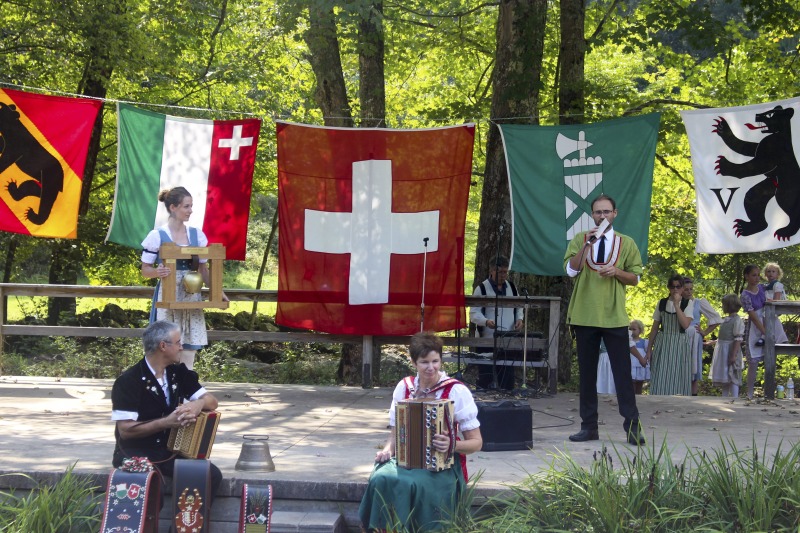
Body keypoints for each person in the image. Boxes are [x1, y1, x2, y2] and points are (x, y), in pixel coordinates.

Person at [359, 332, 482, 532]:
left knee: (413, 483)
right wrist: (388, 450)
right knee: (380, 477)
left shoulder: (456, 391)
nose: (431, 367)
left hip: (443, 466)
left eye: (435, 361)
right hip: (407, 460)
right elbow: (395, 434)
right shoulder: (404, 387)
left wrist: (453, 445)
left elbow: (477, 443)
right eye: (424, 362)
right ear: (414, 362)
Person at [564, 194, 645, 446]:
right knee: (587, 375)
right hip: (584, 315)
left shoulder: (626, 243)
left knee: (622, 374)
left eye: (606, 212)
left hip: (614, 317)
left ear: (615, 213)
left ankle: (632, 427)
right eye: (598, 212)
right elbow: (570, 270)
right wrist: (587, 245)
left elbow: (636, 278)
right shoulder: (580, 239)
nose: (602, 216)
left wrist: (617, 272)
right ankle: (588, 427)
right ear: (592, 215)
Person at [110, 320, 222, 500]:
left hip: (168, 450)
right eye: (178, 343)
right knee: (153, 486)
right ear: (163, 346)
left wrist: (197, 404)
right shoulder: (128, 381)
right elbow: (126, 431)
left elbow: (212, 401)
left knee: (210, 475)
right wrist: (167, 422)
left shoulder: (177, 372)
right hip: (134, 451)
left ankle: (185, 526)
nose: (181, 347)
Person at [141, 186, 228, 370]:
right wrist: (157, 272)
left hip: (191, 292)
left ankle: (186, 391)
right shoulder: (157, 236)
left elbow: (203, 269)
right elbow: (145, 269)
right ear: (173, 207)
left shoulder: (197, 234)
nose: (190, 210)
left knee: (188, 348)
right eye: (186, 206)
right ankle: (165, 390)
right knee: (166, 346)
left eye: (191, 206)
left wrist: (217, 291)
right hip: (169, 292)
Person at [469, 255, 523, 390]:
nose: (504, 275)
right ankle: (484, 403)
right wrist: (486, 321)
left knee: (507, 375)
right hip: (486, 339)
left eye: (506, 272)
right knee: (486, 375)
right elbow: (474, 313)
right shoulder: (481, 288)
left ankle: (507, 401)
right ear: (492, 271)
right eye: (501, 272)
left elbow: (519, 307)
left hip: (508, 338)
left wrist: (519, 319)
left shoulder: (512, 287)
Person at [741, 264, 788, 399]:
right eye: (753, 275)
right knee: (753, 362)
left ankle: (769, 392)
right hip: (756, 327)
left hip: (767, 321)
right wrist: (765, 332)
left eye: (757, 275)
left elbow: (775, 298)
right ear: (747, 276)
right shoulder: (745, 294)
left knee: (770, 358)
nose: (756, 278)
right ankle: (749, 392)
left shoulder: (762, 288)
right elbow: (754, 318)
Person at [647, 274, 694, 396]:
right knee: (661, 374)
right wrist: (649, 349)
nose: (675, 289)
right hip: (664, 342)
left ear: (682, 288)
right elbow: (655, 328)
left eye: (678, 287)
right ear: (668, 288)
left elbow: (685, 325)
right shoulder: (662, 303)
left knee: (678, 374)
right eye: (673, 287)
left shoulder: (687, 303)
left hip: (679, 342)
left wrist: (677, 306)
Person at [682, 277, 723, 395]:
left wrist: (704, 332)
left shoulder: (698, 303)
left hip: (694, 337)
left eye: (691, 289)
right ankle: (680, 393)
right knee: (682, 365)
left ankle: (693, 395)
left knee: (693, 366)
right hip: (681, 337)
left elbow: (716, 318)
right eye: (686, 289)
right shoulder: (677, 303)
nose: (689, 292)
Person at [708, 294, 744, 398]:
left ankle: (734, 397)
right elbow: (724, 337)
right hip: (723, 351)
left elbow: (737, 339)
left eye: (723, 305)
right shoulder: (726, 320)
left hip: (730, 351)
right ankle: (724, 398)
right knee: (725, 376)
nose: (722, 307)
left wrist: (733, 355)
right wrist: (713, 342)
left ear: (729, 305)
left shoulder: (737, 320)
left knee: (732, 375)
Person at [629, 319, 650, 395]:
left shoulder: (644, 342)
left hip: (640, 365)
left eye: (634, 329)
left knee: (639, 383)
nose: (632, 331)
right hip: (631, 365)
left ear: (640, 330)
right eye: (630, 329)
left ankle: (639, 399)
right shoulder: (628, 342)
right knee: (632, 383)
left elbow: (648, 353)